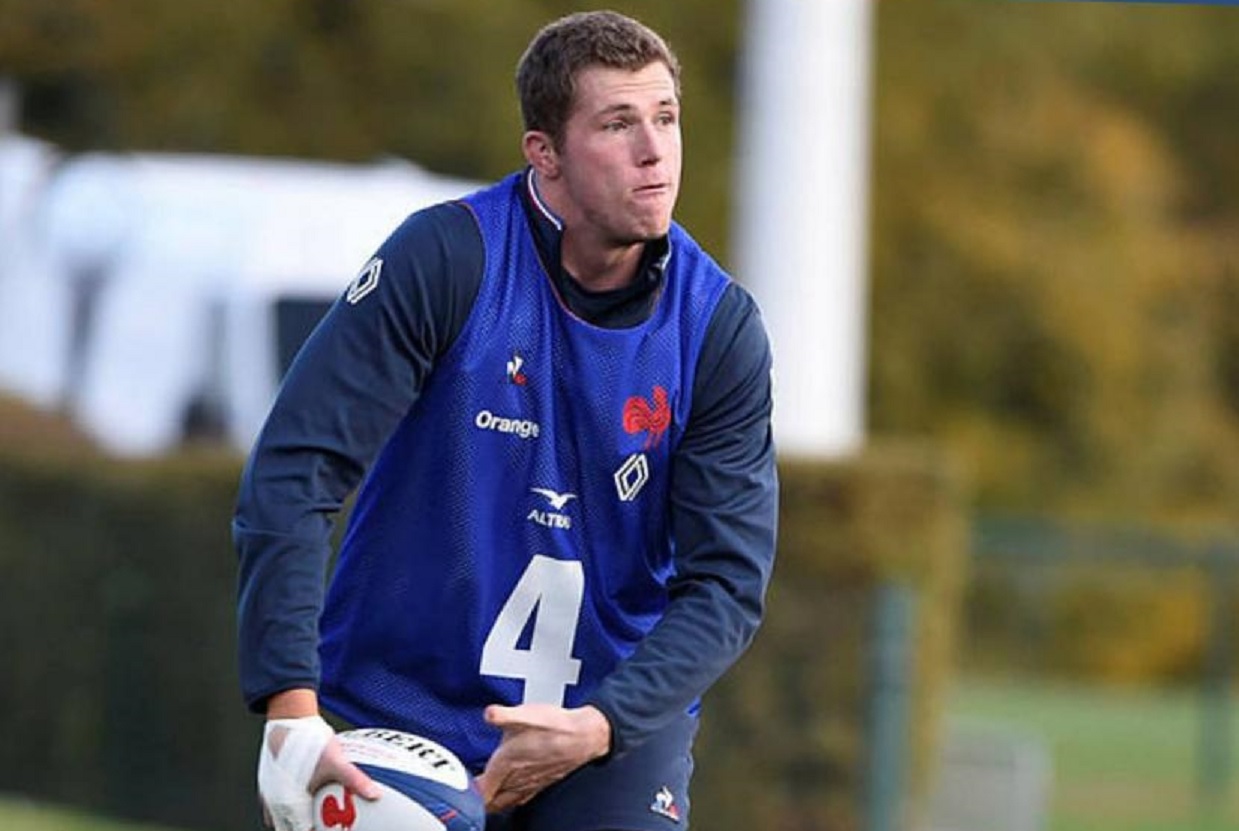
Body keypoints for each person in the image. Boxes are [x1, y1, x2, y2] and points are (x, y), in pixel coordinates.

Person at [234, 10, 778, 831]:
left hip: (607, 731)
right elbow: (296, 466)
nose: (654, 150)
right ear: (545, 154)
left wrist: (599, 726)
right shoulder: (447, 259)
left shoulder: (717, 327)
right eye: (617, 123)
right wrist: (290, 707)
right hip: (400, 714)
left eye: (665, 118)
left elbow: (727, 583)